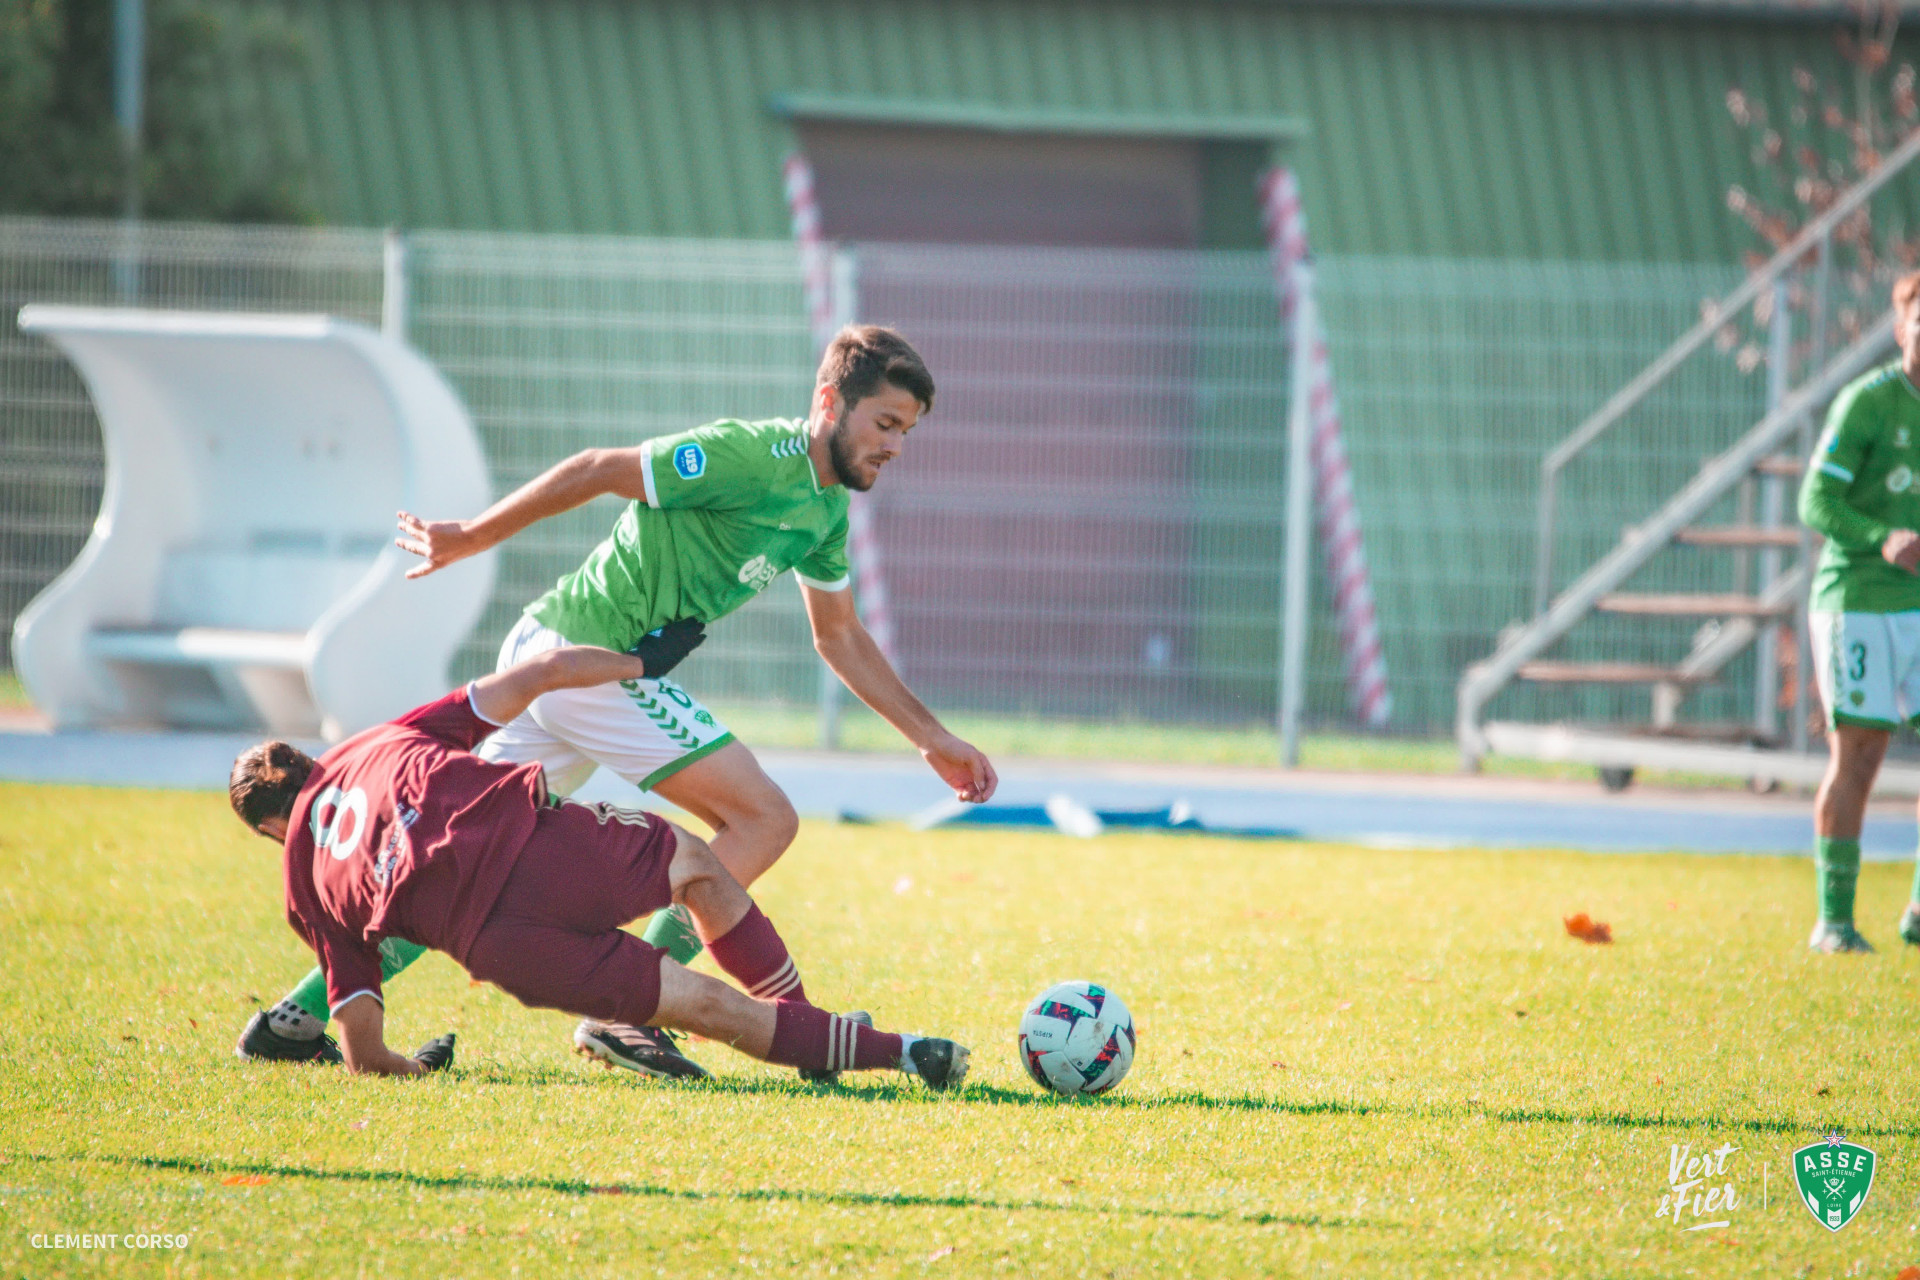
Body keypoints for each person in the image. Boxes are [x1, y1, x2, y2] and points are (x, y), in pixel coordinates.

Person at [240, 323, 997, 1078]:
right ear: (830, 402)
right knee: (763, 817)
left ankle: (293, 1022)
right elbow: (600, 468)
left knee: (453, 860)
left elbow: (838, 637)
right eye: (885, 424)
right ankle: (629, 1017)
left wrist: (930, 737)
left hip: (565, 665)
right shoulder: (750, 456)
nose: (894, 446)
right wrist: (472, 536)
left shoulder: (826, 512)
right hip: (579, 661)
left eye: (906, 432)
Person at [228, 642, 969, 1089]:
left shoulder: (305, 889)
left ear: (271, 828)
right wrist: (640, 665)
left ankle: (906, 1054)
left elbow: (360, 1053)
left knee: (705, 1009)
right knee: (698, 865)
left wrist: (418, 1072)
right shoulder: (377, 741)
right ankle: (841, 1038)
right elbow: (546, 670)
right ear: (313, 761)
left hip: (504, 949)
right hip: (547, 851)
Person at [1798, 269, 1920, 954]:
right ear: (1902, 327)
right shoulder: (1869, 403)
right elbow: (1815, 502)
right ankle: (1834, 924)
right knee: (1862, 754)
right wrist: (1882, 536)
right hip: (1859, 601)